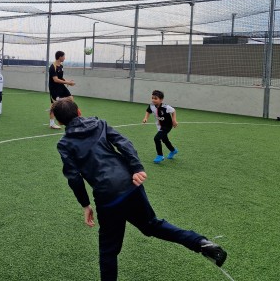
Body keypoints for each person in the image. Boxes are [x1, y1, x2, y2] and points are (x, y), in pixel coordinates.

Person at [51, 99, 227, 281]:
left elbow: (74, 178)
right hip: (130, 185)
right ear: (79, 111)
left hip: (108, 197)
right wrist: (137, 168)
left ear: (60, 122)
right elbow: (124, 143)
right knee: (153, 225)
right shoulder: (100, 124)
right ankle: (201, 243)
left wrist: (85, 205)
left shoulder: (65, 144)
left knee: (108, 251)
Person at [142, 90, 178, 163]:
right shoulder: (151, 105)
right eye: (152, 98)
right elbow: (148, 111)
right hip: (159, 126)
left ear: (161, 99)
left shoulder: (166, 107)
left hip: (167, 126)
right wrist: (145, 118)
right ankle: (173, 150)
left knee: (156, 138)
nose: (153, 100)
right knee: (165, 140)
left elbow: (173, 111)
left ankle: (160, 155)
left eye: (155, 98)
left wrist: (174, 120)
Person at [48, 50, 75, 129]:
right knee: (54, 105)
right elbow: (55, 79)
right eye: (64, 56)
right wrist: (67, 82)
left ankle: (67, 117)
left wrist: (67, 82)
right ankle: (52, 123)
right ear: (60, 57)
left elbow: (60, 77)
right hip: (54, 88)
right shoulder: (53, 66)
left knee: (71, 98)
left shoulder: (61, 66)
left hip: (61, 86)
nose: (64, 58)